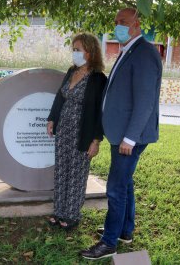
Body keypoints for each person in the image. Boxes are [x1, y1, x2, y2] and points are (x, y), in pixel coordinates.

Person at [80, 8, 162, 260]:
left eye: (123, 22)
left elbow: (145, 101)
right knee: (125, 183)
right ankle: (124, 231)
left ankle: (109, 242)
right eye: (116, 22)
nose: (118, 26)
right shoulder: (131, 50)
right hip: (123, 134)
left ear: (137, 25)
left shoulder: (145, 53)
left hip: (129, 137)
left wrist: (130, 137)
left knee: (115, 188)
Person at [47, 32, 107, 231]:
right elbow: (60, 97)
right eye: (73, 50)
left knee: (77, 175)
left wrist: (96, 140)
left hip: (83, 134)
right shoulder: (71, 71)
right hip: (64, 130)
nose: (74, 53)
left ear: (89, 52)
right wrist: (52, 119)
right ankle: (59, 211)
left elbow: (100, 111)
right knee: (62, 171)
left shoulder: (98, 79)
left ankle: (72, 215)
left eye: (77, 50)